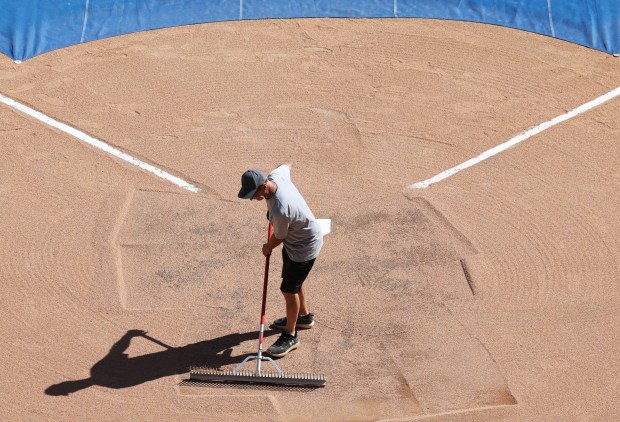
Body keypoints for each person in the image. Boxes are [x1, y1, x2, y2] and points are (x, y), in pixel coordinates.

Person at [238, 164, 323, 357]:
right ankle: (303, 317)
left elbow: (279, 236)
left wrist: (267, 247)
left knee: (288, 289)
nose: (252, 199)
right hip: (299, 240)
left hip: (303, 247)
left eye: (254, 194)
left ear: (264, 187)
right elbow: (286, 165)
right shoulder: (277, 176)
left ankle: (291, 335)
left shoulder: (280, 209)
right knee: (295, 281)